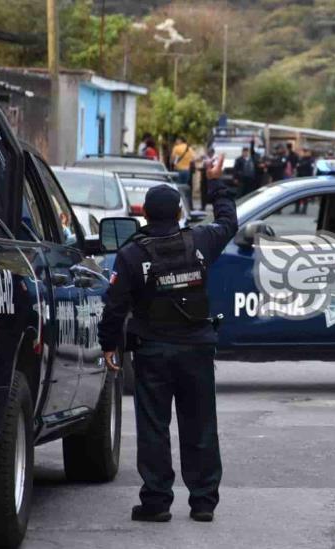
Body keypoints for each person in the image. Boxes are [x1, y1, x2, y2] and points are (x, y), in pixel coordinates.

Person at [98, 154, 236, 524]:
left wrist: (110, 345)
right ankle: (203, 502)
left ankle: (157, 502)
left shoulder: (131, 254)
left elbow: (114, 306)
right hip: (196, 349)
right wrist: (215, 182)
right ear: (178, 213)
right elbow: (228, 221)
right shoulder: (202, 241)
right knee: (200, 424)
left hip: (152, 352)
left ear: (144, 215)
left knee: (154, 426)